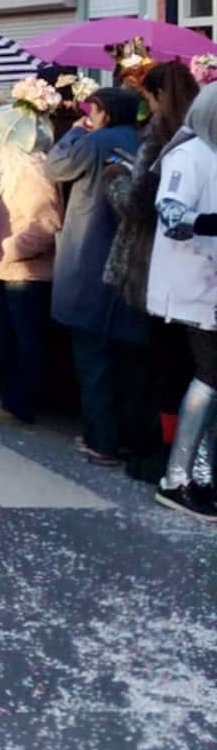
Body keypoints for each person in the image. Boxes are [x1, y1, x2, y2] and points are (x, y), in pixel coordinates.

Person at [43, 83, 146, 464]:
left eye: (94, 109)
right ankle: (130, 439)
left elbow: (55, 165)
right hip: (134, 264)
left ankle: (100, 440)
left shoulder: (96, 142)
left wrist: (73, 129)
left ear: (103, 111)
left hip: (89, 260)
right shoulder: (145, 142)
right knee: (129, 361)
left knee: (93, 358)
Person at [105, 60, 199, 477]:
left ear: (159, 96)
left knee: (151, 366)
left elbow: (137, 205)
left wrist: (114, 177)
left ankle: (152, 451)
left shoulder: (159, 141)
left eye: (148, 97)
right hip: (193, 270)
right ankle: (185, 452)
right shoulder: (202, 139)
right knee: (183, 366)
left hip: (149, 266)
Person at [146, 82, 217, 519]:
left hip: (211, 283)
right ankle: (176, 478)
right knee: (210, 375)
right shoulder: (188, 155)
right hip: (194, 286)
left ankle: (202, 473)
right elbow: (171, 215)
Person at [0, 80, 63, 427]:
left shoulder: (36, 175)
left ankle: (21, 405)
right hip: (3, 271)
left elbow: (46, 225)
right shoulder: (9, 174)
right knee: (6, 340)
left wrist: (6, 250)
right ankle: (11, 398)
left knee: (24, 342)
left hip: (25, 275)